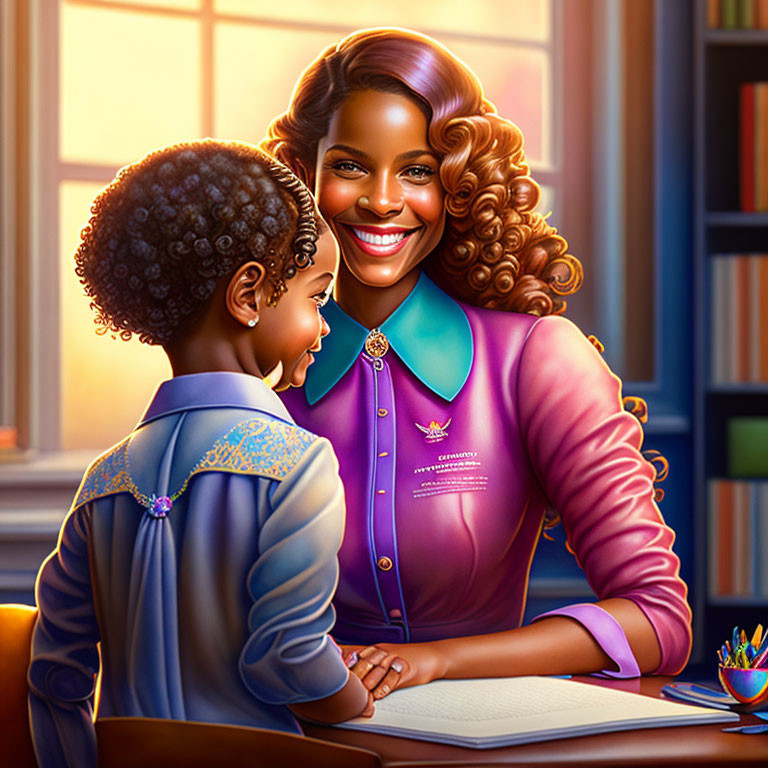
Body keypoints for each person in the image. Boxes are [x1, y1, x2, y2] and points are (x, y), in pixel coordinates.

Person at [261, 27, 693, 700]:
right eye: (349, 166)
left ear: (460, 186)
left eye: (416, 170)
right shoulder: (262, 383)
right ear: (303, 174)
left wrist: (441, 662)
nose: (380, 199)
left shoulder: (536, 359)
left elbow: (656, 620)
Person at [27, 139, 374, 768]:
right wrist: (357, 700)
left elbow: (55, 675)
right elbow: (287, 660)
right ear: (248, 294)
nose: (325, 326)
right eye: (317, 298)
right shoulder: (297, 465)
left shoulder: (103, 481)